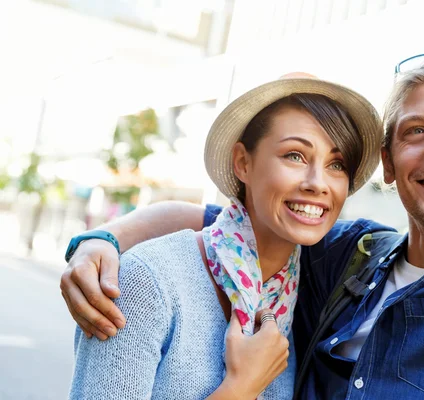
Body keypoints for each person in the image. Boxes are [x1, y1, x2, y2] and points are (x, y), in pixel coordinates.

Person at [61, 55, 424, 399]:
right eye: (417, 131)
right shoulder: (349, 254)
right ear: (389, 166)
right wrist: (100, 242)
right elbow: (223, 223)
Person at [65, 74, 383, 399]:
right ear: (243, 162)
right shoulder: (145, 282)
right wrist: (240, 388)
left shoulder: (297, 298)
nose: (318, 182)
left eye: (337, 164)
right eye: (294, 155)